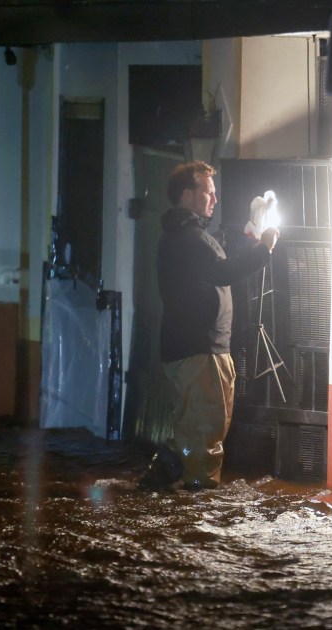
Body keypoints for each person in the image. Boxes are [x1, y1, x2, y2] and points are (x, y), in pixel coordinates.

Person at [138, 160, 278, 491]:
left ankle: (153, 487)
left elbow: (219, 263)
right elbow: (223, 271)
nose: (214, 198)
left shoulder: (191, 236)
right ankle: (199, 513)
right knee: (205, 434)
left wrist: (250, 242)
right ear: (188, 194)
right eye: (208, 192)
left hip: (202, 350)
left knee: (194, 427)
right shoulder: (187, 239)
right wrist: (263, 249)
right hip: (199, 352)